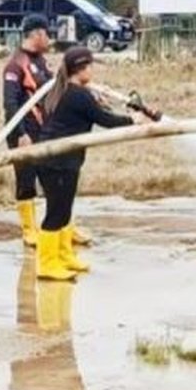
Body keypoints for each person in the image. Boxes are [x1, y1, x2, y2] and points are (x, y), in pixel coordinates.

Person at [35, 47, 147, 281]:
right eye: (90, 66)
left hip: (58, 159)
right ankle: (46, 264)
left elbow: (90, 112)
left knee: (64, 210)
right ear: (81, 69)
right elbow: (105, 120)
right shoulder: (78, 95)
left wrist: (98, 100)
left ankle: (64, 256)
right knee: (56, 213)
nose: (92, 70)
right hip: (58, 162)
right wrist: (133, 120)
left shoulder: (64, 90)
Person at [2, 14, 54, 248]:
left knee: (54, 179)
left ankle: (60, 226)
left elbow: (54, 87)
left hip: (44, 130)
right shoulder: (15, 65)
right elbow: (10, 103)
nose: (49, 39)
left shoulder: (41, 61)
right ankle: (29, 230)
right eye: (47, 34)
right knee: (26, 180)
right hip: (23, 131)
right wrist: (21, 133)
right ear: (37, 34)